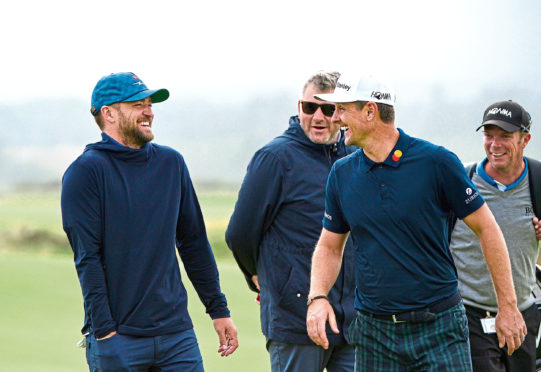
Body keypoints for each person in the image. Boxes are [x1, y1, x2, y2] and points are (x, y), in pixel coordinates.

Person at [305, 72, 527, 371]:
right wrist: (317, 297)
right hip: (373, 333)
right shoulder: (342, 174)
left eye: (343, 109)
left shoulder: (436, 162)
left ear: (370, 111)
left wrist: (508, 306)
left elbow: (487, 229)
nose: (335, 118)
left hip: (439, 328)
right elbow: (330, 246)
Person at [61, 72, 238, 371]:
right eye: (137, 104)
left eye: (149, 104)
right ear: (109, 113)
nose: (149, 112)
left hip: (177, 336)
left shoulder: (171, 164)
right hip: (118, 338)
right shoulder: (85, 172)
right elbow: (87, 258)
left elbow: (193, 242)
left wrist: (218, 310)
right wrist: (105, 331)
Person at [226, 71, 357, 372]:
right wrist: (256, 276)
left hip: (350, 321)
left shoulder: (355, 157)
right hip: (294, 317)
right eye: (310, 107)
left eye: (328, 108)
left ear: (343, 112)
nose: (319, 116)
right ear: (299, 108)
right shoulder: (274, 159)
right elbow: (239, 233)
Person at [449, 100, 541, 372]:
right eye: (489, 135)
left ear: (525, 139)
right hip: (470, 314)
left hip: (523, 312)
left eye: (505, 137)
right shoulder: (462, 179)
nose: (494, 144)